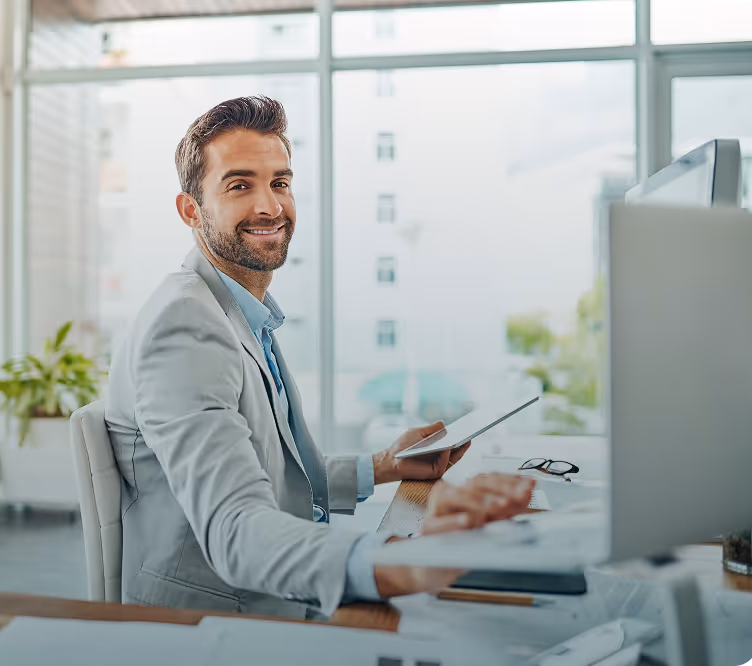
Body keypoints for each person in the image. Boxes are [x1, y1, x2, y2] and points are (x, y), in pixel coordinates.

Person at [104, 95, 535, 619]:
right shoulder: (184, 325)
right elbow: (236, 529)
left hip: (269, 604)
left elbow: (269, 475)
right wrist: (405, 562)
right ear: (191, 210)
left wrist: (384, 466)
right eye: (240, 185)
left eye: (280, 183)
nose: (269, 207)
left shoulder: (238, 312)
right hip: (221, 627)